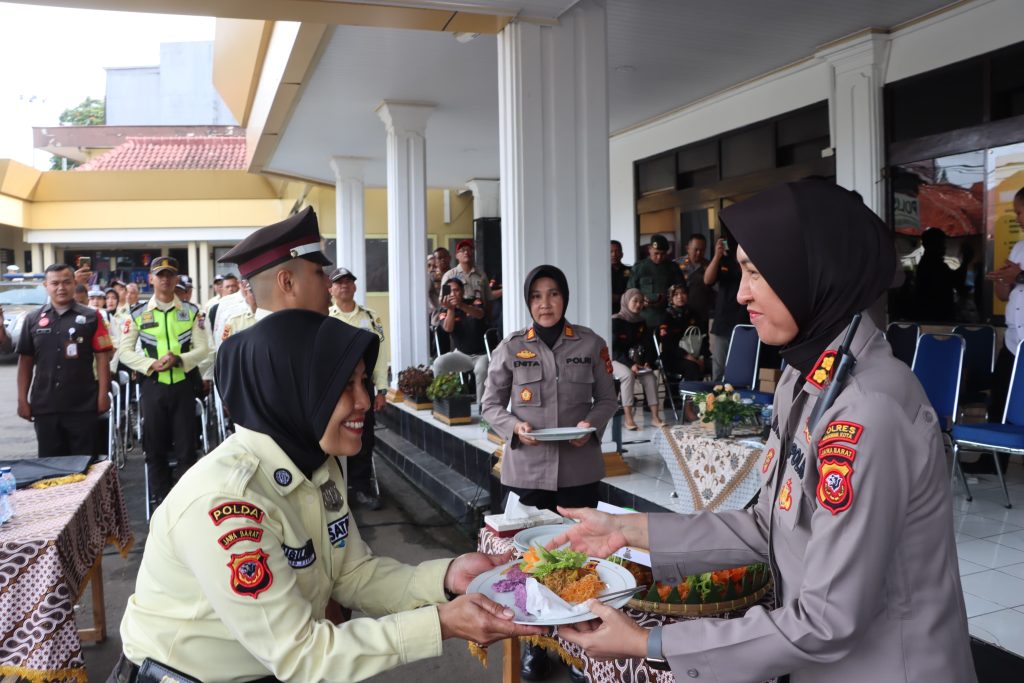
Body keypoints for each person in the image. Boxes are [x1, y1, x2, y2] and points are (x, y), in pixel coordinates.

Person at [552, 178, 975, 683]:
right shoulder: (806, 375)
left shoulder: (868, 411)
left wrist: (651, 642)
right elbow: (767, 526)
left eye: (756, 272)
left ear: (814, 273)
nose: (741, 292)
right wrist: (626, 532)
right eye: (741, 271)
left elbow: (827, 620)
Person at [113, 309, 545, 683]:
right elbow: (300, 653)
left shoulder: (317, 463)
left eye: (363, 381)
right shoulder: (227, 504)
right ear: (294, 392)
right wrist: (443, 622)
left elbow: (351, 575)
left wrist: (449, 576)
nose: (363, 401)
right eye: (343, 385)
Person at [481, 264, 617, 682]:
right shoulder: (511, 347)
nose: (545, 303)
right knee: (529, 566)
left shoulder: (592, 344)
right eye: (537, 296)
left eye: (553, 294)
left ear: (565, 298)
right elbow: (489, 405)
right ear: (528, 302)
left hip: (578, 471)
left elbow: (608, 398)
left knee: (580, 563)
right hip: (527, 473)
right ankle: (535, 647)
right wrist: (513, 429)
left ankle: (579, 648)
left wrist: (589, 426)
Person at [119, 256, 210, 506]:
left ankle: (185, 502)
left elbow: (203, 349)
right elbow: (124, 351)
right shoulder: (137, 313)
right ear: (151, 279)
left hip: (183, 385)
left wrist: (179, 358)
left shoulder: (192, 312)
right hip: (153, 386)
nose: (166, 280)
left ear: (177, 279)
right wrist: (150, 364)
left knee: (186, 448)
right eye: (160, 275)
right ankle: (160, 500)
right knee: (154, 447)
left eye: (170, 275)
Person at [16, 264, 113, 457]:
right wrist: (22, 400)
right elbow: (25, 361)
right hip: (45, 405)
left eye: (66, 282)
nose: (61, 287)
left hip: (83, 404)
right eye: (55, 283)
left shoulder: (91, 317)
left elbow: (103, 358)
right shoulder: (33, 319)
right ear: (46, 285)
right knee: (50, 466)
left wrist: (103, 395)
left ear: (74, 283)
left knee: (85, 465)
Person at [968, 187, 1024, 475]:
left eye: (1021, 211)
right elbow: (1006, 294)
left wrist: (1019, 275)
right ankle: (993, 460)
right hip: (1014, 341)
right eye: (1015, 212)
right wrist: (1002, 281)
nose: (1018, 217)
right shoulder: (1018, 247)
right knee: (1000, 397)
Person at [328, 266, 389, 510]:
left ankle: (362, 488)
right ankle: (335, 490)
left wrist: (382, 389)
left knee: (364, 436)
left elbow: (381, 354)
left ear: (354, 287)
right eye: (338, 282)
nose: (344, 285)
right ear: (330, 289)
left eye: (348, 281)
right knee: (332, 434)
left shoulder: (371, 317)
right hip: (333, 386)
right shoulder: (325, 317)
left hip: (364, 385)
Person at [611, 289, 664, 430]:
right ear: (626, 301)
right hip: (616, 360)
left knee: (650, 377)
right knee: (627, 376)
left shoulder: (641, 322)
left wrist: (647, 361)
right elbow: (613, 349)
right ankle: (628, 418)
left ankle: (655, 417)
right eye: (635, 301)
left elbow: (647, 345)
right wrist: (630, 364)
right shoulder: (616, 321)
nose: (638, 304)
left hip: (636, 360)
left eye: (641, 301)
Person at [432, 278, 489, 402]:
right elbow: (447, 328)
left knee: (481, 370)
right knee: (439, 363)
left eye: (456, 290)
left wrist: (461, 305)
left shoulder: (474, 301)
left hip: (481, 354)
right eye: (450, 291)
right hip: (462, 355)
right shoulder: (444, 310)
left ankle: (482, 408)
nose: (453, 294)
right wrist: (451, 309)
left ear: (462, 291)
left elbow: (480, 314)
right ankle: (442, 403)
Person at [704, 232, 750, 381]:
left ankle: (737, 402)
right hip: (723, 320)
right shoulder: (724, 259)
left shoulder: (748, 258)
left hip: (745, 319)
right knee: (719, 368)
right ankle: (717, 401)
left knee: (742, 366)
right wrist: (717, 256)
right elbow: (707, 280)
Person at [627, 234, 681, 328]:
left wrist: (668, 298)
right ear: (649, 249)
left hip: (667, 317)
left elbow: (680, 289)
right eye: (656, 253)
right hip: (643, 317)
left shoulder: (673, 268)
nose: (659, 257)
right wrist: (642, 300)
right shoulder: (639, 267)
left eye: (663, 254)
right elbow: (629, 292)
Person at [658, 284, 707, 382]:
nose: (680, 297)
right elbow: (668, 345)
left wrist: (702, 357)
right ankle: (693, 396)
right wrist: (689, 357)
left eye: (683, 293)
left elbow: (704, 337)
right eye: (676, 294)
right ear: (670, 298)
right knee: (693, 367)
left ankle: (710, 395)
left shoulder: (694, 314)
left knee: (713, 364)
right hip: (674, 357)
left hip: (695, 354)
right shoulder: (667, 316)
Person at [914, 227, 956, 323]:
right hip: (935, 317)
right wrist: (965, 262)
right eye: (941, 243)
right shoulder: (932, 265)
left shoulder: (928, 264)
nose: (944, 247)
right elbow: (954, 280)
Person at [441, 239, 490, 318]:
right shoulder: (449, 275)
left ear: (473, 253)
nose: (466, 252)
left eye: (469, 250)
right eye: (462, 250)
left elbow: (488, 299)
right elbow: (444, 300)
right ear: (456, 255)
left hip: (478, 316)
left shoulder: (481, 275)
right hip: (457, 316)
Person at [674, 233, 713, 328]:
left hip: (701, 315)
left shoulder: (710, 266)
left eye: (702, 250)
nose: (699, 253)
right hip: (680, 315)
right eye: (696, 249)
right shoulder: (676, 265)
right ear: (688, 248)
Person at [610, 240, 632, 315]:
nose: (614, 254)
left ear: (622, 254)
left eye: (617, 251)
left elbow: (632, 293)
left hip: (627, 312)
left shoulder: (630, 271)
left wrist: (618, 297)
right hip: (609, 312)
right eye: (611, 251)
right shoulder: (602, 273)